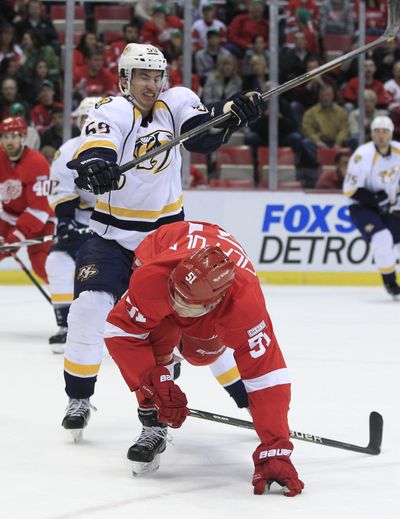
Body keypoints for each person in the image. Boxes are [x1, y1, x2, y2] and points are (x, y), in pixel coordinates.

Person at [60, 43, 264, 439]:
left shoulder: (178, 100)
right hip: (111, 238)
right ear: (125, 79)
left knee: (191, 328)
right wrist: (96, 165)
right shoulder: (110, 109)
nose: (151, 85)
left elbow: (199, 136)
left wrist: (229, 117)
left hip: (165, 242)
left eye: (156, 77)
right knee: (88, 309)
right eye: (143, 77)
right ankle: (79, 396)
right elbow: (98, 143)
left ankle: (246, 399)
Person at [103, 220, 304, 496]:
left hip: (210, 297)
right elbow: (121, 331)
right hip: (162, 245)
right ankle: (153, 422)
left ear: (214, 304)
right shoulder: (154, 277)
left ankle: (191, 367)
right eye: (175, 296)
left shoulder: (244, 306)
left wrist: (275, 447)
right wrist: (155, 384)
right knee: (158, 341)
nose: (175, 307)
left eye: (186, 305)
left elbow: (266, 374)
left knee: (201, 354)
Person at [45, 97, 101, 352]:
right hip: (81, 216)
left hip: (116, 218)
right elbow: (62, 189)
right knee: (57, 261)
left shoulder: (122, 146)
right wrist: (66, 223)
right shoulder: (67, 151)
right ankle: (67, 324)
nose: (88, 125)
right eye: (83, 119)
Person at [343, 116, 400, 297]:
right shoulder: (362, 155)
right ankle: (390, 282)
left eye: (385, 132)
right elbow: (349, 190)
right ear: (372, 134)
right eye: (377, 131)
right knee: (382, 238)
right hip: (362, 207)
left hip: (389, 206)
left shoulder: (398, 151)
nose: (381, 136)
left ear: (391, 133)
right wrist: (375, 199)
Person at [0, 116, 54, 281]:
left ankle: (66, 299)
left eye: (14, 136)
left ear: (23, 137)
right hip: (9, 216)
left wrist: (17, 235)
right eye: (5, 136)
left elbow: (39, 209)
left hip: (41, 219)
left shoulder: (37, 163)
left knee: (40, 266)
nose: (10, 141)